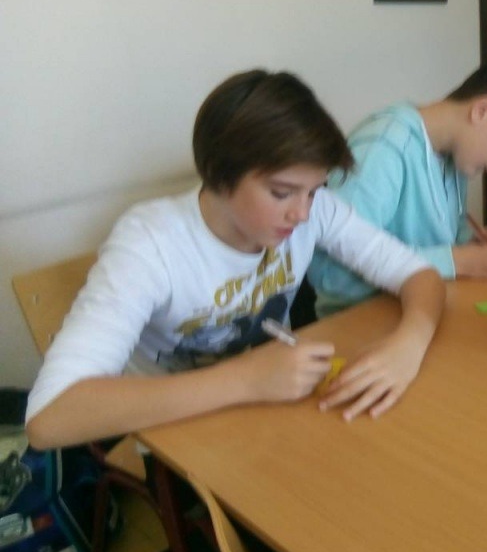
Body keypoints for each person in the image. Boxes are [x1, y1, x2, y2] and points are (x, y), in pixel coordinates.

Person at [26, 69, 446, 450]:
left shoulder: (314, 210)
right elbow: (50, 417)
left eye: (314, 190)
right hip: (179, 438)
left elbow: (417, 274)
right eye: (281, 193)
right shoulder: (150, 244)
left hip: (276, 410)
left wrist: (408, 345)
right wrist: (247, 379)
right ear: (218, 175)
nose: (302, 213)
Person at [307, 60, 487, 317]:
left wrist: (471, 240)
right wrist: (457, 261)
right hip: (357, 320)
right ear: (482, 110)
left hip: (420, 307)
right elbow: (332, 272)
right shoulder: (383, 147)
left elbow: (441, 233)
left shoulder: (453, 156)